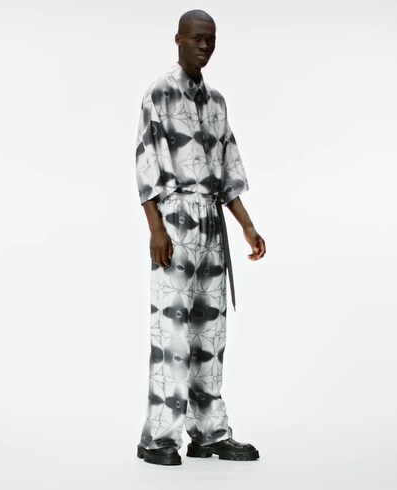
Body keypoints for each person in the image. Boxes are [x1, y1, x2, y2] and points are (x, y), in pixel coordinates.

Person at [135, 9, 266, 466]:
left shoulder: (216, 103)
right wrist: (156, 228)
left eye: (210, 38)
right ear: (179, 40)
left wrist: (246, 224)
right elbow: (146, 161)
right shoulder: (160, 93)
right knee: (172, 332)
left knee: (210, 333)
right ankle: (158, 439)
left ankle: (209, 433)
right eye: (196, 38)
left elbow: (228, 168)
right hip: (174, 220)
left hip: (212, 224)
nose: (204, 46)